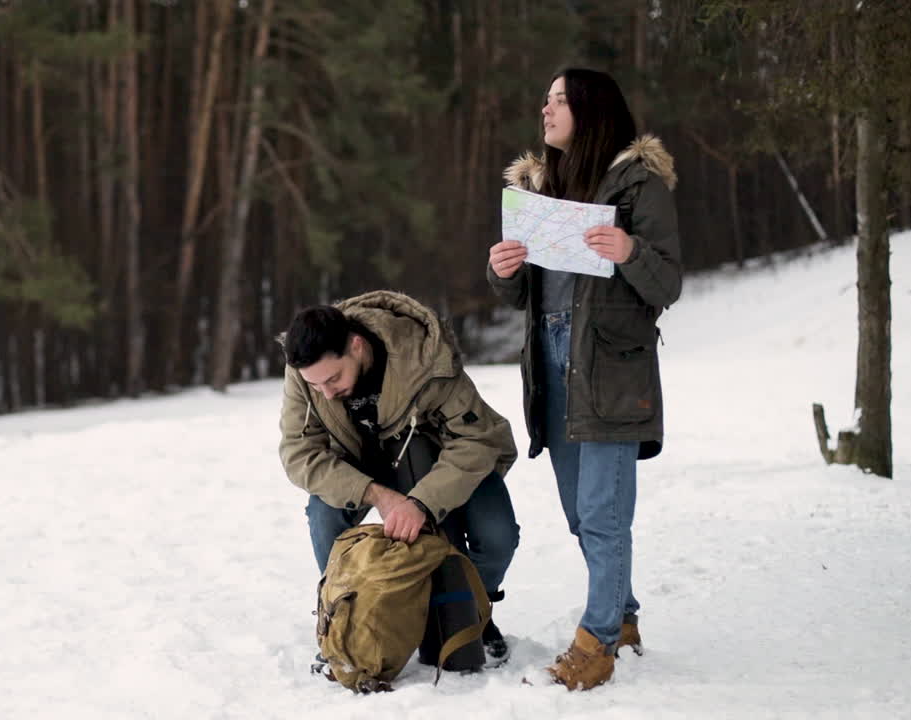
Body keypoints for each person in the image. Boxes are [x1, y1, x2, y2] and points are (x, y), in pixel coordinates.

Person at [486, 68, 682, 691]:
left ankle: (596, 643)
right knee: (579, 512)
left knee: (602, 513)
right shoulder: (539, 188)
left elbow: (668, 283)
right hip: (549, 358)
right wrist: (502, 267)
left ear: (591, 110)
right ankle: (621, 617)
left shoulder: (639, 185)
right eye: (543, 99)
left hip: (609, 364)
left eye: (559, 100)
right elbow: (520, 290)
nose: (545, 110)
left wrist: (630, 251)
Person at [278, 290, 520, 663]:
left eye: (333, 379)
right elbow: (299, 453)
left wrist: (421, 502)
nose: (325, 394)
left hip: (441, 460)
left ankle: (473, 608)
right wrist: (376, 494)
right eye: (315, 386)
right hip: (360, 465)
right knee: (324, 515)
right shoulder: (306, 372)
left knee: (498, 535)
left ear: (356, 347)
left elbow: (477, 438)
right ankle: (348, 619)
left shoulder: (424, 354)